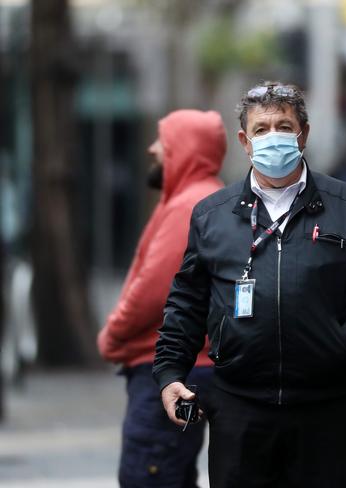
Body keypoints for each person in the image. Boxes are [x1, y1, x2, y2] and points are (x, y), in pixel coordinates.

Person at [153, 81, 346, 488]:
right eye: (261, 128)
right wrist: (170, 374)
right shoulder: (211, 215)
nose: (273, 137)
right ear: (244, 140)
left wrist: (343, 342)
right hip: (240, 411)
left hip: (329, 410)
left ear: (302, 134)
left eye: (284, 126)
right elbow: (186, 302)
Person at [97, 110, 227, 487]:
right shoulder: (198, 199)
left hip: (172, 369)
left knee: (149, 475)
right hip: (185, 365)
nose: (151, 149)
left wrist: (111, 336)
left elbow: (153, 291)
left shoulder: (190, 204)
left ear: (184, 149)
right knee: (171, 473)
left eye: (162, 141)